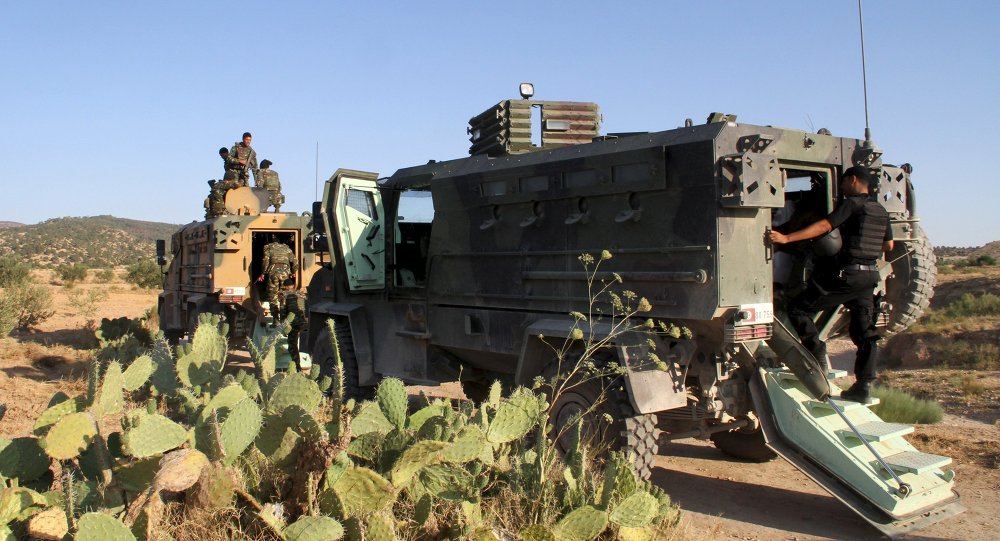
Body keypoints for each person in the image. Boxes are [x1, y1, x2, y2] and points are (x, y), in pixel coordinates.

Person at [768, 166, 894, 402]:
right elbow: (889, 246)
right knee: (865, 334)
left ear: (854, 180)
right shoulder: (880, 210)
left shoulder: (853, 204)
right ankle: (864, 386)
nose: (843, 187)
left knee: (799, 308)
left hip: (846, 275)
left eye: (844, 182)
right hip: (868, 278)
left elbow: (825, 226)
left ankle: (816, 351)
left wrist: (786, 238)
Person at [258, 236, 297, 324]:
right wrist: (293, 272)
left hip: (273, 274)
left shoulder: (268, 247)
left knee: (273, 298)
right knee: (284, 297)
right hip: (285, 274)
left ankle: (276, 321)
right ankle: (284, 321)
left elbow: (265, 261)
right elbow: (295, 262)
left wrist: (263, 273)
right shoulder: (286, 248)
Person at [280, 277, 307, 369]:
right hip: (303, 322)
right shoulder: (300, 293)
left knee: (292, 345)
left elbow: (283, 310)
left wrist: (283, 324)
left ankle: (297, 366)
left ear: (285, 286)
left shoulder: (284, 295)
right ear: (292, 285)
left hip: (293, 322)